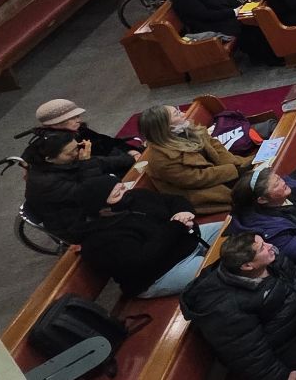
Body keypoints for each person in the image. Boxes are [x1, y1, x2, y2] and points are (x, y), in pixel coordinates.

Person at [180, 232, 296, 380]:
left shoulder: (271, 258)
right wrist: (282, 376)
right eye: (262, 248)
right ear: (247, 266)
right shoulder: (225, 307)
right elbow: (248, 354)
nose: (270, 246)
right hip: (287, 343)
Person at [71, 174, 218, 298]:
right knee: (220, 270)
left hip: (188, 238)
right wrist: (175, 226)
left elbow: (172, 200)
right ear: (102, 210)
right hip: (162, 273)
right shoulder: (99, 239)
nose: (125, 193)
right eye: (117, 195)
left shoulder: (136, 196)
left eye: (122, 187)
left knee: (230, 233)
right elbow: (143, 259)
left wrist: (182, 212)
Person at [139, 103, 254, 214]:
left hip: (221, 173)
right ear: (164, 126)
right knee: (257, 185)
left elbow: (215, 146)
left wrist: (237, 165)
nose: (184, 114)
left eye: (178, 110)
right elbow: (196, 179)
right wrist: (234, 170)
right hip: (203, 191)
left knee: (258, 169)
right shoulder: (161, 158)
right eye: (176, 114)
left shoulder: (186, 128)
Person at [22, 128, 135, 240]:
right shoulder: (45, 183)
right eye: (70, 153)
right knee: (133, 213)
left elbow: (102, 162)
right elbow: (93, 193)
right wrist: (86, 162)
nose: (77, 153)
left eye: (77, 147)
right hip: (76, 225)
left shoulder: (65, 160)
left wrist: (133, 158)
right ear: (49, 159)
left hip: (87, 207)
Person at [169, 0, 277, 64]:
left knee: (255, 14)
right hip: (211, 25)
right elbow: (204, 15)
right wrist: (233, 12)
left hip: (223, 15)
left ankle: (273, 50)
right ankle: (265, 56)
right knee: (247, 24)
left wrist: (241, 5)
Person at [28, 98, 140, 161]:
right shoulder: (57, 145)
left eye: (77, 116)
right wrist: (128, 160)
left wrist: (130, 150)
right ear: (55, 124)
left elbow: (106, 141)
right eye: (72, 118)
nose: (78, 120)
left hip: (116, 159)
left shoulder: (79, 129)